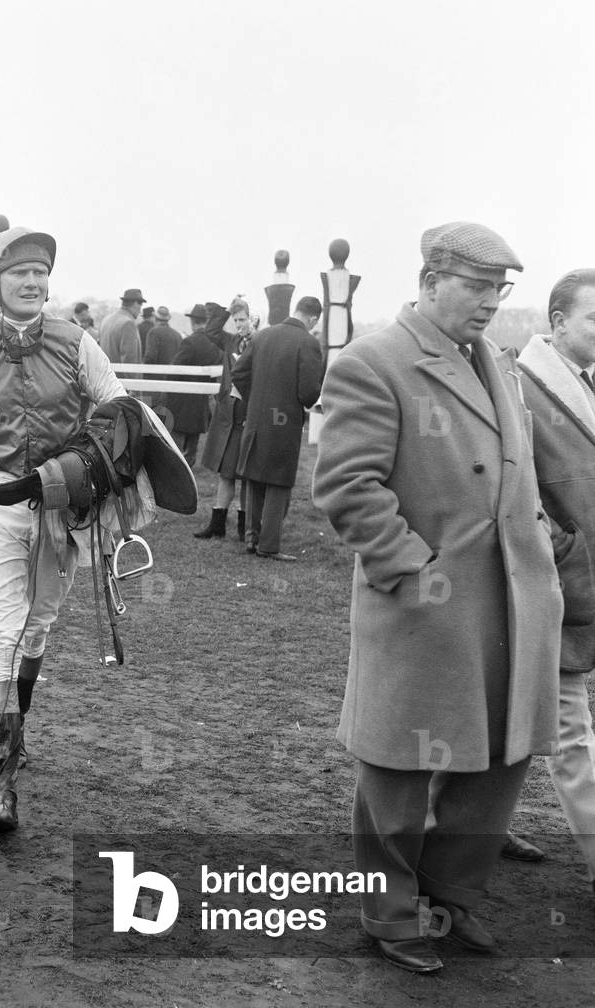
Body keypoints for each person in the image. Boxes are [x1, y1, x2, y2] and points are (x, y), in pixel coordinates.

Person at [312, 221, 562, 974]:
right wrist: (413, 571)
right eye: (476, 287)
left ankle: (450, 900)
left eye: (498, 290)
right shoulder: (373, 363)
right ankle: (389, 914)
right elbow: (346, 486)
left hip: (512, 606)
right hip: (429, 606)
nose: (489, 303)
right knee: (397, 766)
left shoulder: (497, 362)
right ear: (428, 283)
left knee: (494, 762)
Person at [0, 225, 126, 833]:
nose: (32, 282)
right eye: (19, 273)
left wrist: (99, 465)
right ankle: (2, 786)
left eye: (40, 272)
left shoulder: (76, 342)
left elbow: (118, 407)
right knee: (2, 636)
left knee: (37, 629)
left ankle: (19, 730)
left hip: (63, 504)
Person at [513, 267, 595, 887]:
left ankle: (460, 821)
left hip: (583, 584)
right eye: (594, 318)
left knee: (500, 713)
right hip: (558, 584)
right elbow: (516, 488)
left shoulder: (584, 381)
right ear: (559, 322)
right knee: (571, 734)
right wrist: (562, 548)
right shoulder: (523, 385)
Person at [232, 295, 323, 561]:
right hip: (284, 422)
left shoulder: (262, 336)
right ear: (313, 319)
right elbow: (308, 393)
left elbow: (238, 373)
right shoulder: (308, 342)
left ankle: (252, 537)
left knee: (256, 476)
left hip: (257, 418)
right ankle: (268, 546)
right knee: (278, 482)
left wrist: (255, 399)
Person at [195, 297, 258, 541]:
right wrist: (226, 310)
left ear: (251, 319)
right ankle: (217, 524)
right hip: (226, 413)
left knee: (245, 474)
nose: (239, 324)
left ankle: (245, 527)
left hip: (246, 414)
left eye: (243, 319)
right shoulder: (229, 339)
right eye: (236, 320)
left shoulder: (258, 342)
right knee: (225, 472)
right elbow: (211, 330)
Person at [164, 303, 219, 466]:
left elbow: (175, 370)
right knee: (192, 445)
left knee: (176, 444)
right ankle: (189, 469)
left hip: (182, 402)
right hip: (201, 401)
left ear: (193, 322)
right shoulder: (215, 342)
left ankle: (176, 470)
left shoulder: (190, 342)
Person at [98, 288, 145, 364]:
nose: (140, 310)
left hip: (107, 373)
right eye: (140, 305)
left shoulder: (106, 320)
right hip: (121, 375)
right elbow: (130, 359)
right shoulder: (128, 323)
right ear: (135, 304)